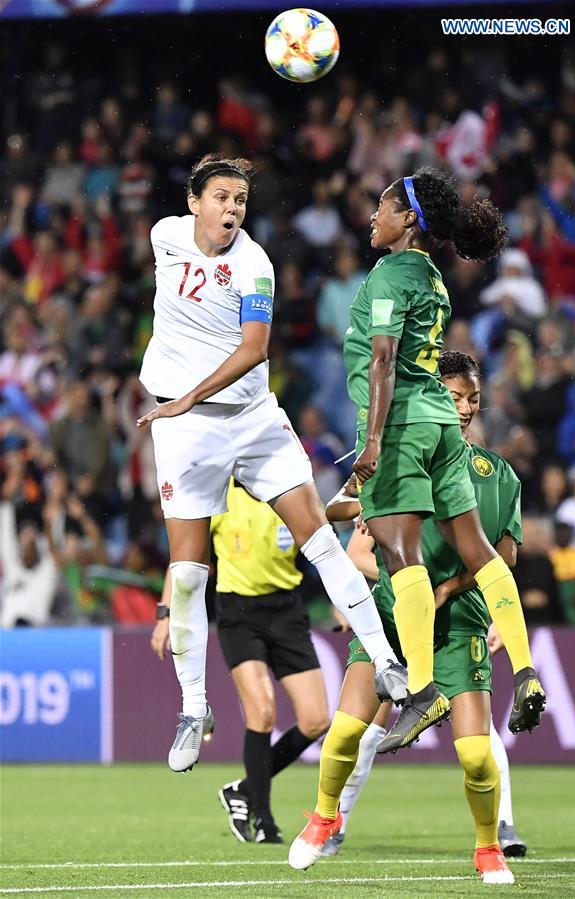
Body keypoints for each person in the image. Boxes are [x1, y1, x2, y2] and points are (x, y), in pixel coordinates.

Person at [137, 154, 407, 773]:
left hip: (250, 419)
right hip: (183, 431)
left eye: (241, 201)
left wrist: (188, 395)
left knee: (319, 538)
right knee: (185, 573)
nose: (233, 210)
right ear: (194, 203)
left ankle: (385, 661)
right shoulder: (164, 237)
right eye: (222, 197)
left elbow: (255, 348)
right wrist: (178, 403)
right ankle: (193, 706)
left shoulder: (255, 265)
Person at [289, 351, 527, 883]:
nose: (464, 408)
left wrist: (447, 590)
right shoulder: (391, 464)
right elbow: (335, 513)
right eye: (454, 397)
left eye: (472, 399)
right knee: (344, 735)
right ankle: (325, 818)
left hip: (457, 624)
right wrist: (334, 498)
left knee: (476, 755)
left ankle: (489, 846)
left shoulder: (496, 475)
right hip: (391, 623)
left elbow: (504, 558)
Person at [343, 167, 545, 749]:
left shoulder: (387, 277)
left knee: (399, 550)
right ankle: (526, 669)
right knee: (478, 550)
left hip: (402, 424)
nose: (373, 217)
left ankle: (423, 691)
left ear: (407, 219)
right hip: (440, 424)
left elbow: (382, 361)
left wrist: (375, 440)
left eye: (382, 208)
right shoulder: (432, 276)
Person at [151, 478, 330, 845]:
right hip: (239, 614)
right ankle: (263, 819)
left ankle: (243, 790)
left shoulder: (286, 487)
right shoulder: (220, 492)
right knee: (262, 712)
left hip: (287, 610)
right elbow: (186, 558)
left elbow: (322, 537)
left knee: (316, 720)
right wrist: (166, 613)